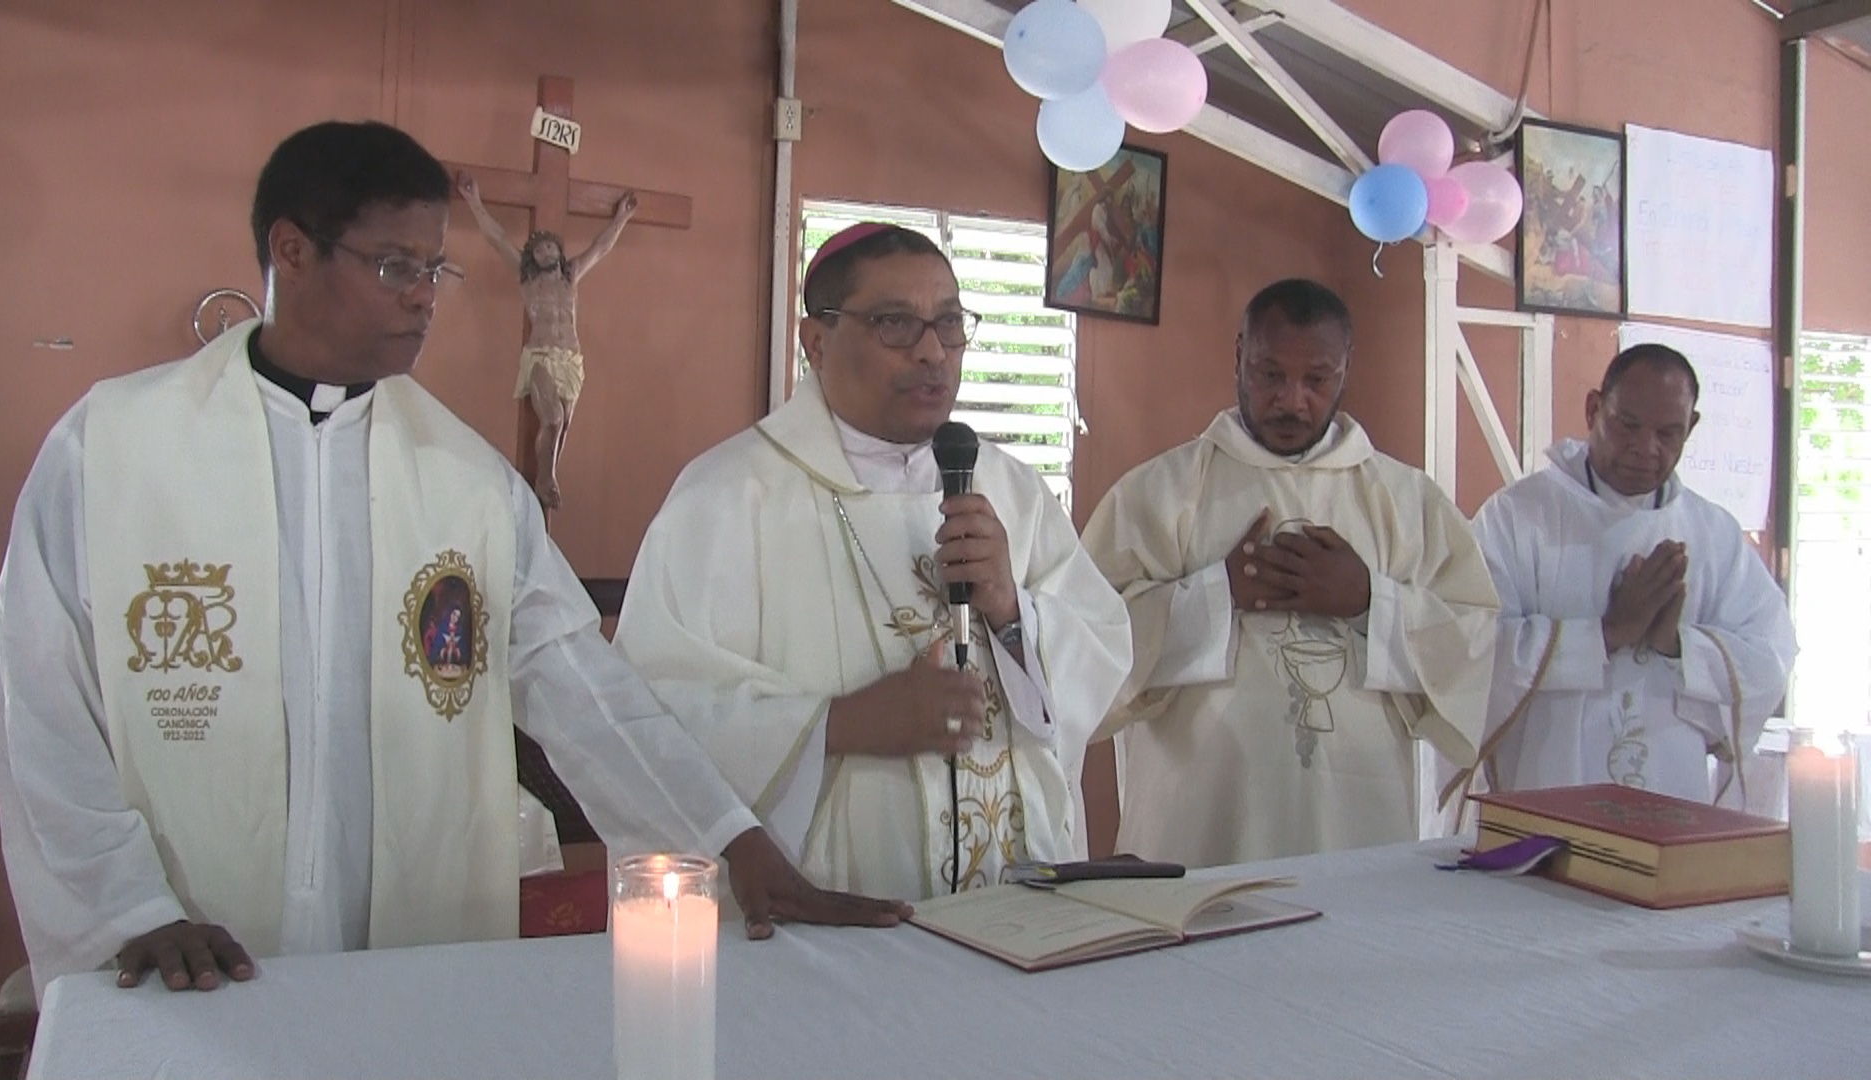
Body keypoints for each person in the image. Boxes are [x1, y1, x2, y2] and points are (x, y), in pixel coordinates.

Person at [0, 120, 904, 1001]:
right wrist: (130, 908)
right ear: (292, 251)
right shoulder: (112, 449)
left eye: (437, 268)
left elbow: (585, 687)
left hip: (414, 959)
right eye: (396, 266)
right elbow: (42, 702)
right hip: (192, 955)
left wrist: (730, 842)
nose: (425, 295)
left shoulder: (466, 482)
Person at [614, 223, 1132, 898]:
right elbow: (651, 708)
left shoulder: (1010, 487)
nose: (931, 352)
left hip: (1016, 907)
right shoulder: (727, 498)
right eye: (895, 323)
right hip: (837, 915)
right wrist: (842, 724)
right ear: (816, 341)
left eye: (949, 324)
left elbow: (1104, 659)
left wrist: (1012, 612)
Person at [1080, 278, 1500, 868]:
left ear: (1346, 370)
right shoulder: (1162, 494)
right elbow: (1085, 642)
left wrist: (1370, 602)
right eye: (1270, 374)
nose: (1292, 399)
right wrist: (1218, 594)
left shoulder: (1406, 502)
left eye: (1316, 379)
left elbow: (1476, 639)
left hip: (1356, 825)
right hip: (1203, 826)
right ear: (1239, 359)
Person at [1470, 343, 1796, 804]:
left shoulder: (1713, 535)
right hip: (1547, 797)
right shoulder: (1516, 518)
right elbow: (1468, 651)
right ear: (1593, 409)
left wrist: (1679, 647)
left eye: (1669, 433)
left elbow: (1772, 657)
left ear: (1691, 429)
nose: (1646, 448)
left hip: (1670, 799)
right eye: (1628, 426)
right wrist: (1605, 633)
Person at [455, 171, 638, 508]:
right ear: (531, 256)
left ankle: (546, 481)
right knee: (552, 417)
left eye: (549, 246)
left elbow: (601, 247)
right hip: (539, 355)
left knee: (562, 426)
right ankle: (545, 478)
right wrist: (474, 201)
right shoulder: (527, 280)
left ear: (558, 250)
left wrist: (622, 216)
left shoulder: (572, 277)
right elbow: (496, 238)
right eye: (537, 249)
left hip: (571, 358)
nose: (544, 252)